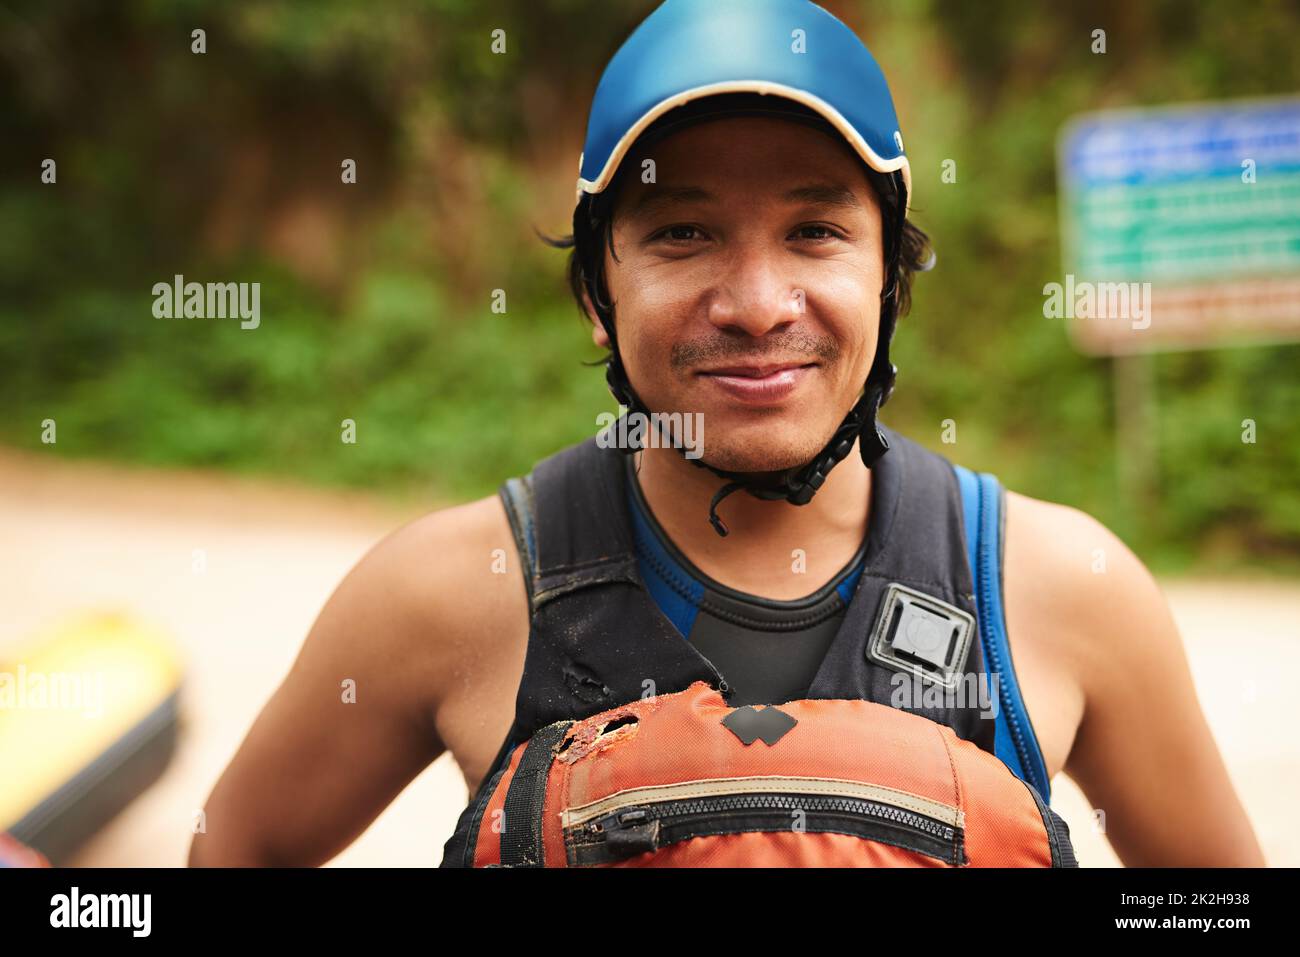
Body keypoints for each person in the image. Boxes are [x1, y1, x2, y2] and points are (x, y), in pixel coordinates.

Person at [190, 0, 1264, 867]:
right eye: (683, 232)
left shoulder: (1064, 590)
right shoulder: (447, 592)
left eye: (814, 230)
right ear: (595, 293)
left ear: (887, 277)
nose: (756, 302)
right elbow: (233, 849)